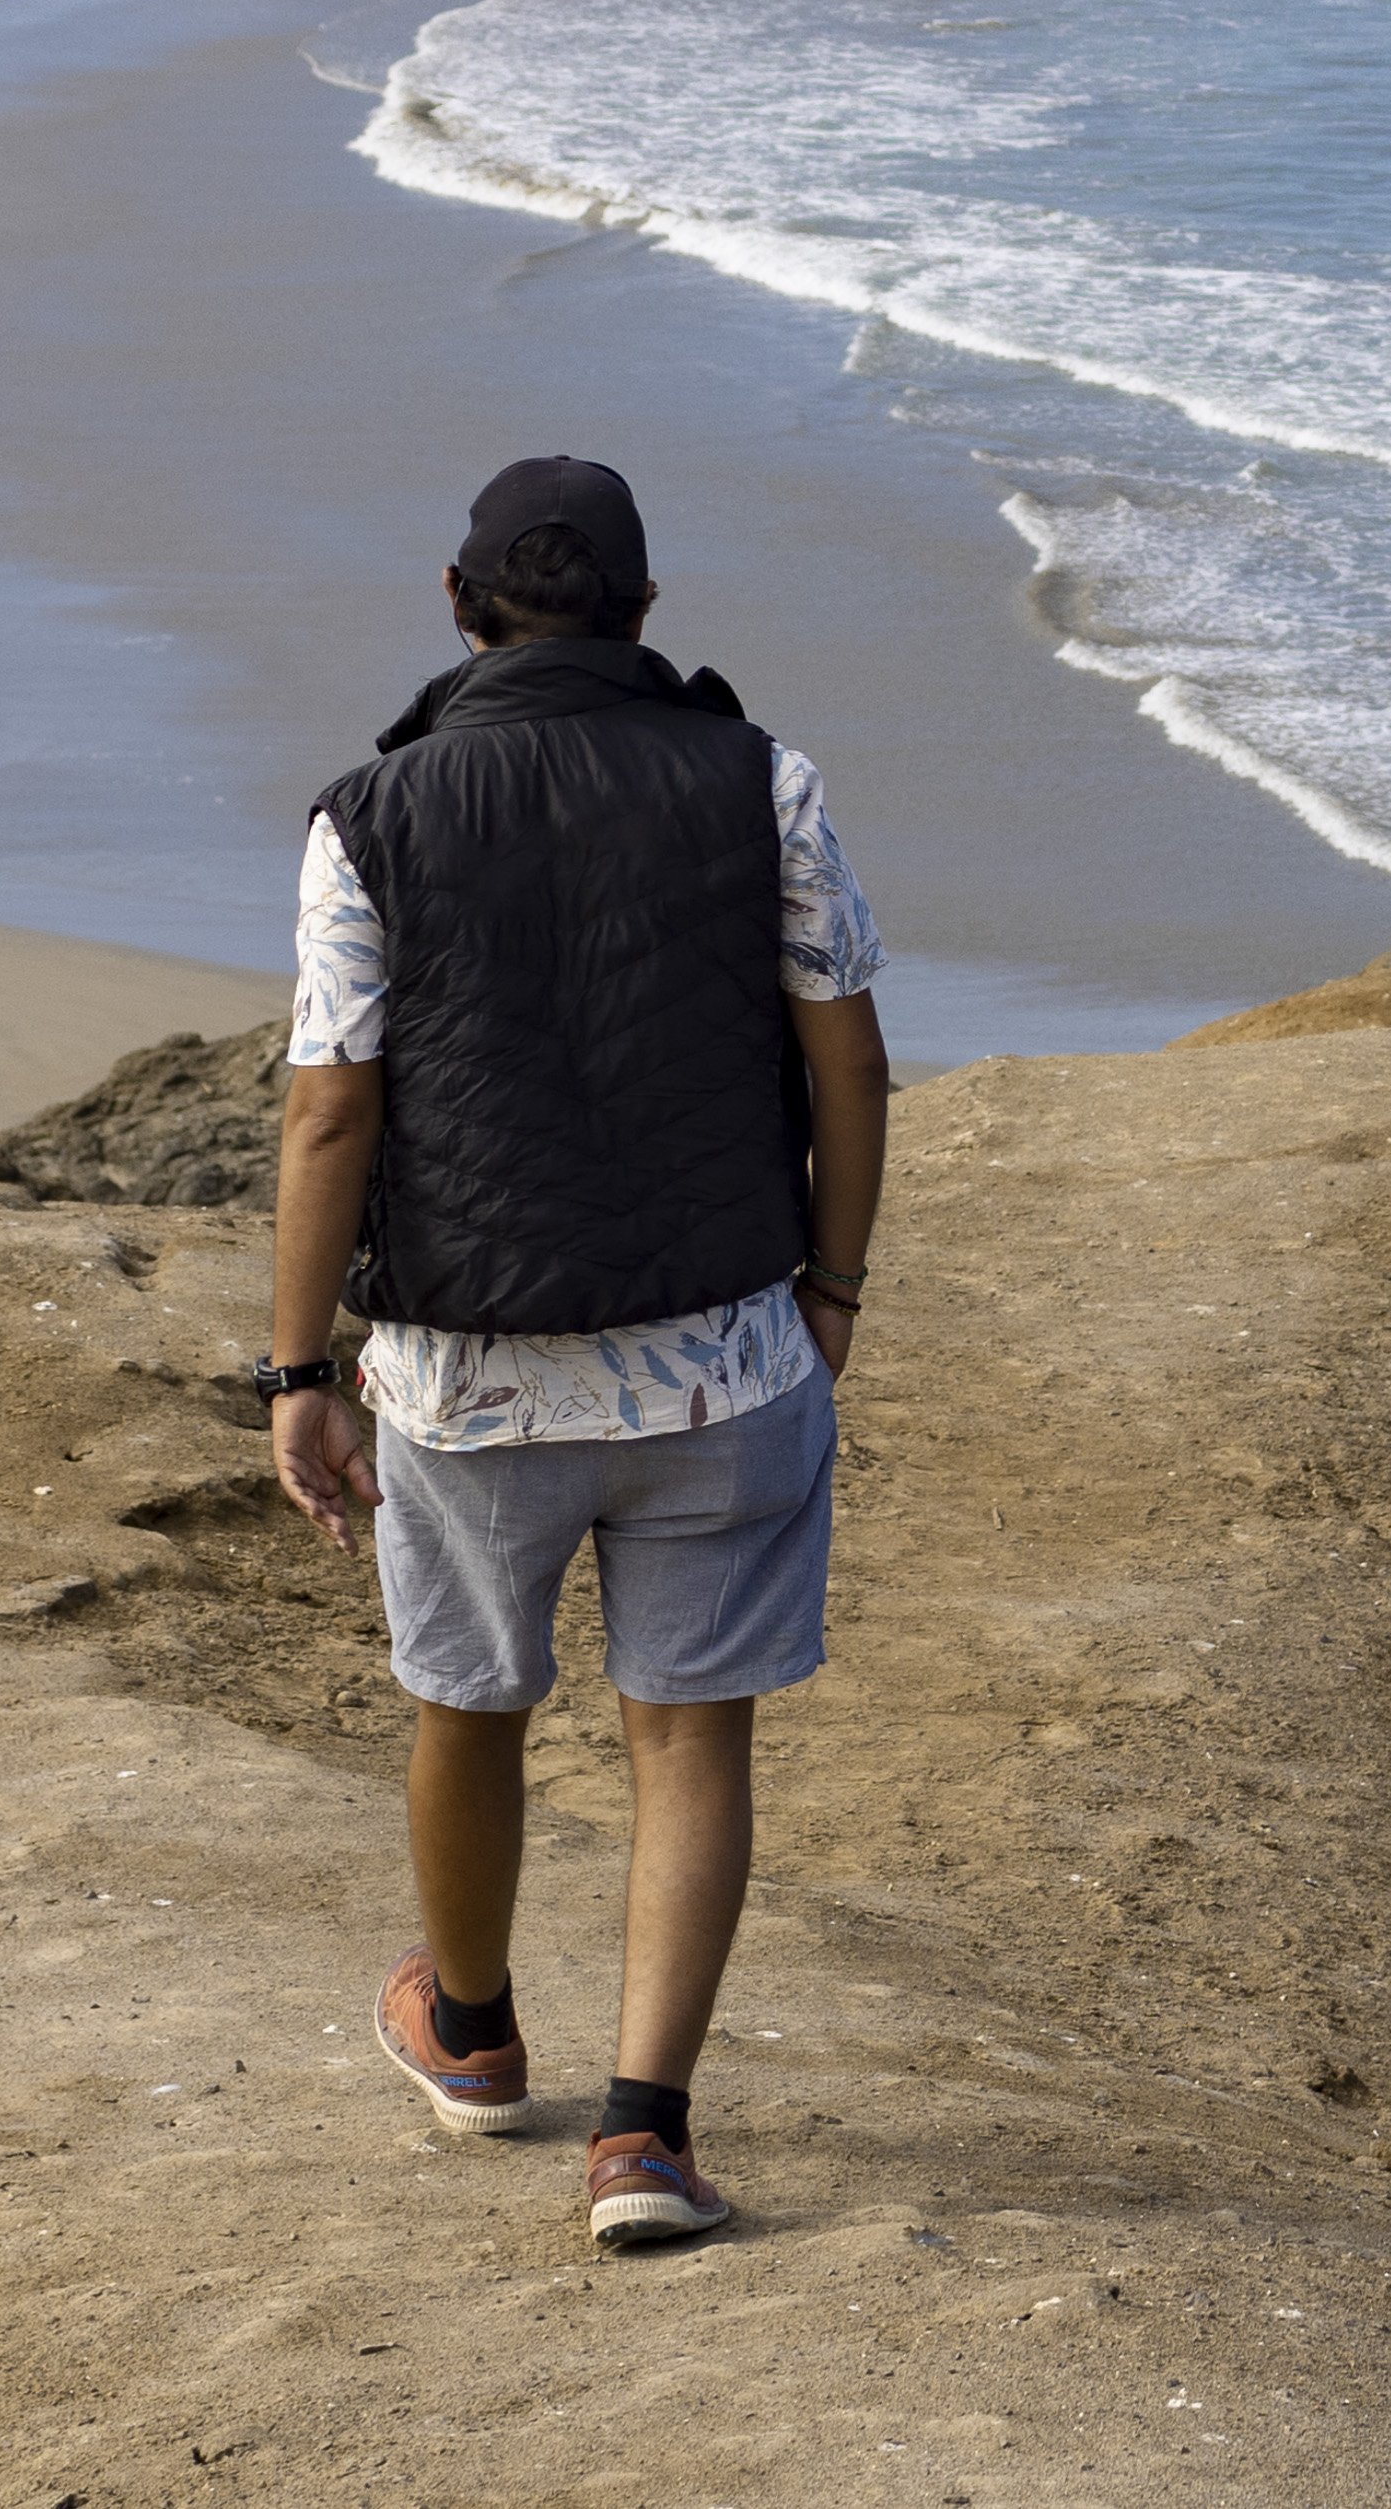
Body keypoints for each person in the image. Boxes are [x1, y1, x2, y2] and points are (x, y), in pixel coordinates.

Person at [259, 454, 889, 2253]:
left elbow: (328, 1114)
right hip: (726, 1357)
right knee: (691, 1740)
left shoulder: (368, 814)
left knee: (469, 1698)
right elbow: (847, 1060)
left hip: (465, 1376)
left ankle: (469, 2034)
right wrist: (832, 1281)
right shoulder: (763, 780)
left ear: (459, 606)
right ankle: (645, 2136)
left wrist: (296, 1369)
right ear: (641, 614)